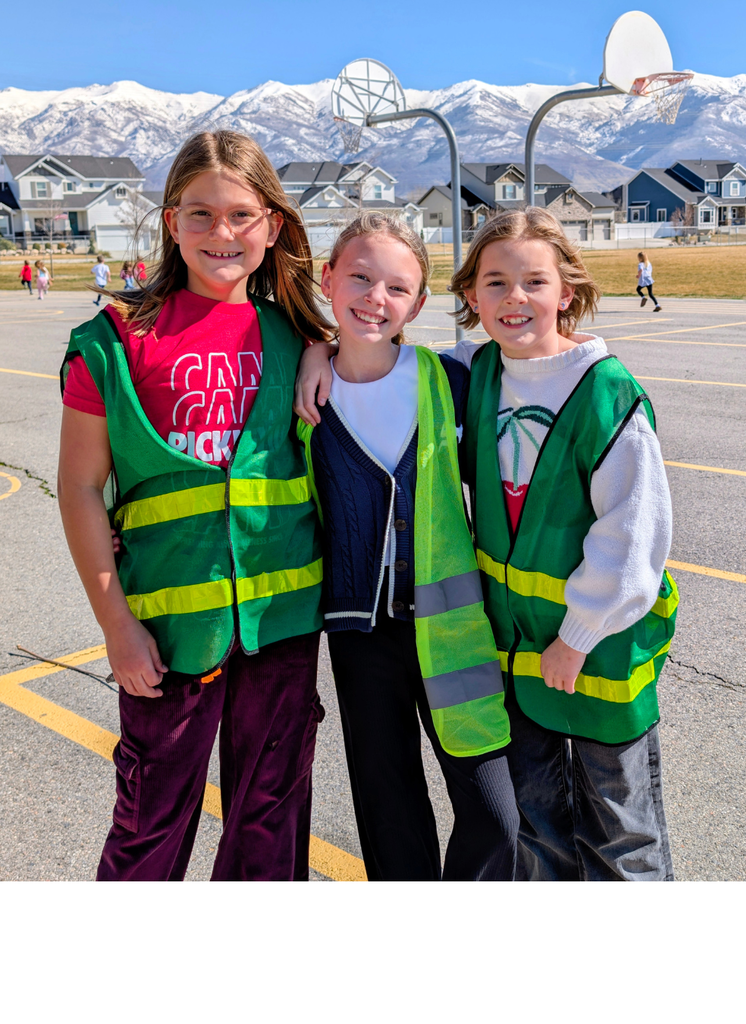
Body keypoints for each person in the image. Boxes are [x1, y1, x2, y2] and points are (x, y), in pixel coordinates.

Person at [58, 129, 333, 882]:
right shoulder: (115, 343)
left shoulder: (295, 335)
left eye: (242, 215)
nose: (223, 233)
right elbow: (80, 487)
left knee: (268, 822)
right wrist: (116, 628)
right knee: (149, 825)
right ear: (171, 222)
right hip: (168, 632)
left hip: (280, 627)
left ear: (272, 226)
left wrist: (320, 342)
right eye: (200, 214)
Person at [449, 208, 677, 881]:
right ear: (470, 297)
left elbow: (631, 532)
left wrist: (576, 635)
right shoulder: (475, 374)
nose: (513, 298)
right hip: (515, 653)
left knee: (622, 829)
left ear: (566, 292)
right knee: (536, 825)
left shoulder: (607, 394)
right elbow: (383, 363)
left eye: (532, 281)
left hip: (594, 648)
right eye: (494, 283)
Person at [294, 213, 518, 881]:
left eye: (397, 288)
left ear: (418, 303)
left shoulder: (451, 378)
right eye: (359, 278)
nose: (375, 298)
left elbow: (544, 357)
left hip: (454, 631)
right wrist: (314, 349)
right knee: (389, 816)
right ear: (328, 279)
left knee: (497, 817)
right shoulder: (301, 396)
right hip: (360, 639)